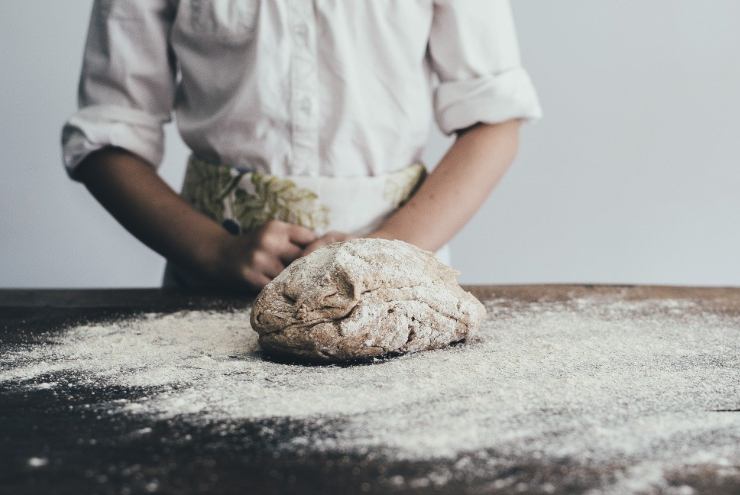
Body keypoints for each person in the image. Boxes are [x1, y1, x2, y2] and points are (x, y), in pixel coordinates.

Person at [62, 1, 541, 291]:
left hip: (398, 282)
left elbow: (493, 121)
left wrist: (386, 251)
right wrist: (214, 251)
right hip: (211, 286)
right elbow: (106, 135)